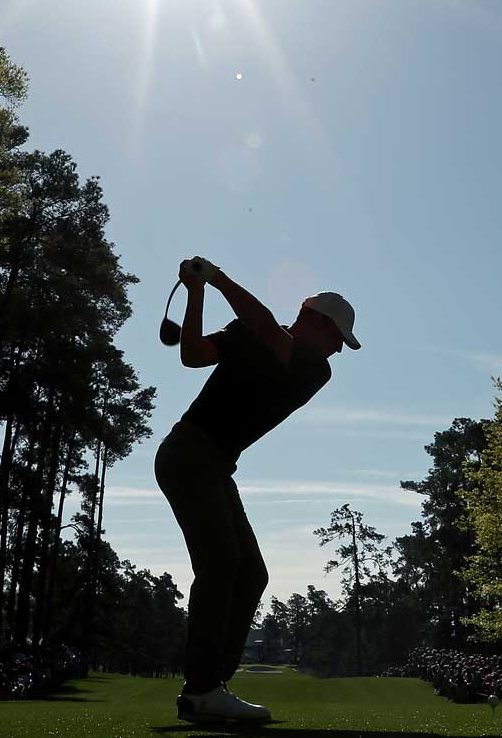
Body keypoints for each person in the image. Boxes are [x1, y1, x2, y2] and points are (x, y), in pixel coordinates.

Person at [157, 256, 357, 724]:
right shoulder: (252, 333)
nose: (338, 351)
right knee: (222, 564)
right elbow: (192, 355)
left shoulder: (313, 369)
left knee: (250, 574)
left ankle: (211, 686)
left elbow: (268, 330)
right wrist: (197, 292)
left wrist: (216, 278)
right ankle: (203, 688)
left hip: (211, 464)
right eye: (337, 339)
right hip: (189, 453)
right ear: (316, 321)